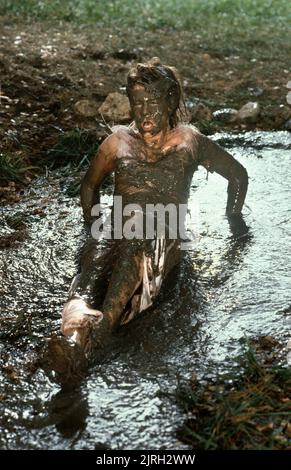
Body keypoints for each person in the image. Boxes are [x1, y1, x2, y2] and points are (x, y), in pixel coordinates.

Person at [59, 57, 248, 360]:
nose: (144, 112)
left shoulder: (189, 141)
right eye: (137, 103)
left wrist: (234, 220)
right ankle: (73, 334)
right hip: (117, 226)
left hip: (162, 232)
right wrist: (91, 226)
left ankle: (103, 327)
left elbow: (238, 175)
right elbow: (89, 186)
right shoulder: (117, 142)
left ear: (171, 99)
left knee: (139, 236)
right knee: (94, 261)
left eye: (153, 102)